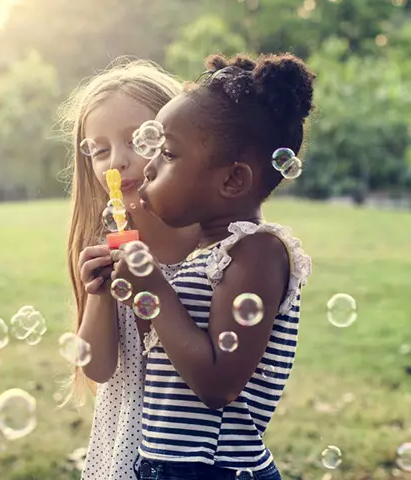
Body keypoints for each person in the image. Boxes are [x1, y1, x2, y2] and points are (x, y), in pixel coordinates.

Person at [110, 53, 315, 480]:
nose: (148, 167)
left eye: (167, 153)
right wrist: (135, 288)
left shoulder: (257, 252)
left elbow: (218, 384)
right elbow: (172, 353)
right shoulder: (204, 253)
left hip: (217, 468)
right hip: (167, 463)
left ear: (232, 180)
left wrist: (153, 286)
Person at [57, 58, 199, 479]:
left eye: (138, 140)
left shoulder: (210, 247)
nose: (116, 162)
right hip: (119, 452)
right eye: (100, 151)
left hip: (186, 459)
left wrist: (151, 283)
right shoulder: (107, 250)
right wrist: (99, 294)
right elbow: (98, 368)